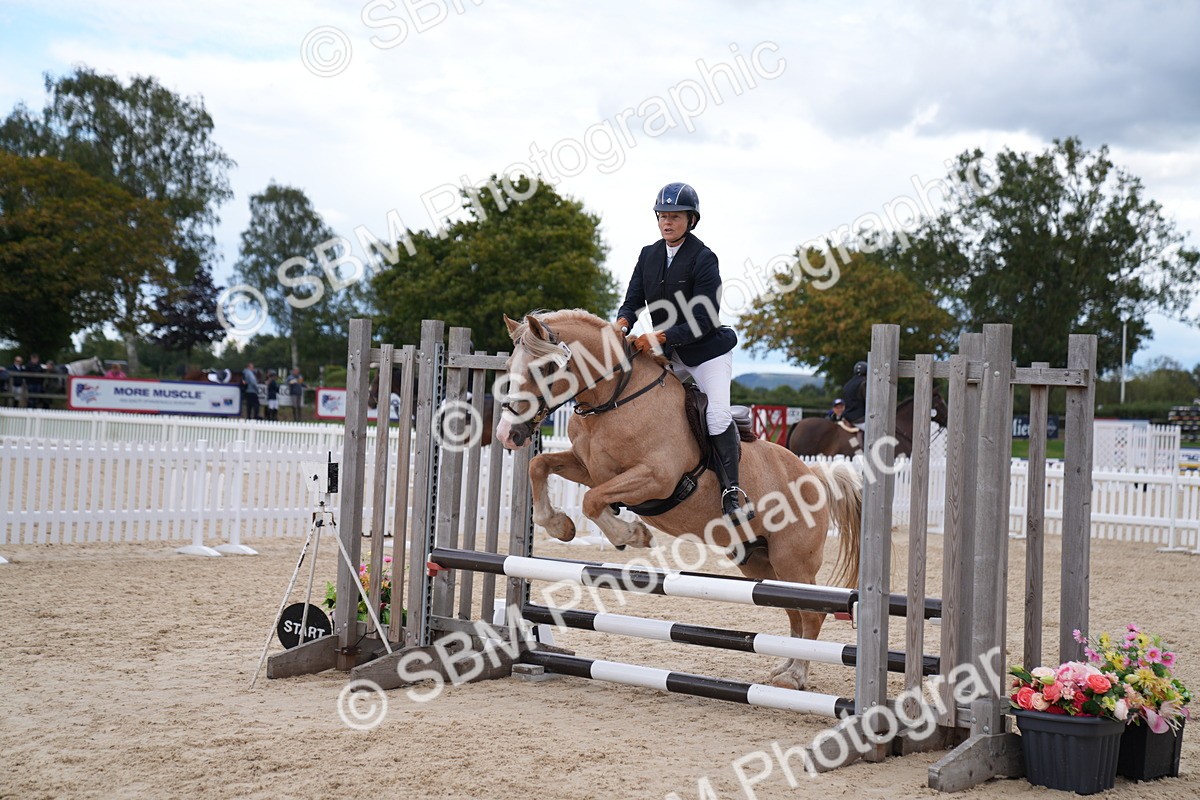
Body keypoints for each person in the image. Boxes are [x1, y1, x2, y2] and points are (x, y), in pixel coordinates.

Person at [614, 182, 753, 525]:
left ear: (691, 220)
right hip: (670, 353)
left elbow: (705, 318)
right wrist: (620, 324)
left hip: (707, 353)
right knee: (635, 402)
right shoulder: (648, 254)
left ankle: (731, 491)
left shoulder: (704, 258)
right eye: (662, 216)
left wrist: (659, 336)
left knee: (717, 416)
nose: (666, 222)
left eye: (674, 217)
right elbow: (633, 301)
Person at [840, 361, 868, 427]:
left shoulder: (848, 384)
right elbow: (868, 401)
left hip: (847, 416)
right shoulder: (864, 383)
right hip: (860, 418)